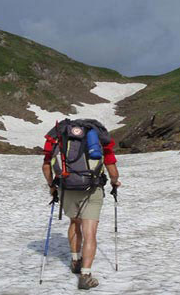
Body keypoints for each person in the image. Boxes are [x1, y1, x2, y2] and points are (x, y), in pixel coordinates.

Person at [41, 121, 121, 290]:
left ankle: (76, 260)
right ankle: (85, 275)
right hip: (92, 189)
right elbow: (111, 166)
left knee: (74, 223)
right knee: (89, 232)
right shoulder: (97, 136)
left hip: (67, 188)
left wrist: (51, 186)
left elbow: (47, 165)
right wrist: (114, 182)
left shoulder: (57, 136)